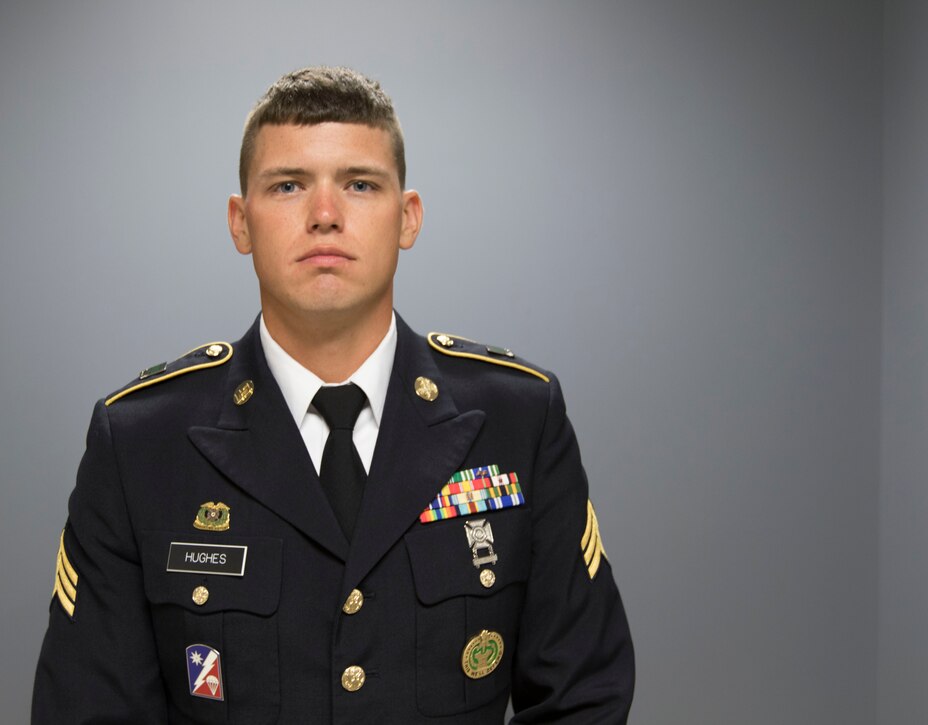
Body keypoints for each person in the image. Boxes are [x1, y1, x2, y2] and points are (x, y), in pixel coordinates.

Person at [32, 66, 634, 724]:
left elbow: (583, 695)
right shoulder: (141, 445)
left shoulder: (518, 421)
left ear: (407, 218)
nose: (325, 215)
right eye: (288, 185)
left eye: (360, 184)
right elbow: (87, 711)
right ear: (241, 223)